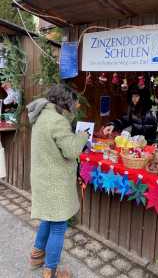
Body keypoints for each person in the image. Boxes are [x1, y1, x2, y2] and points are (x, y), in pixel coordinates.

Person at [27, 84, 88, 278]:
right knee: (59, 225)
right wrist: (83, 137)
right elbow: (71, 150)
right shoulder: (57, 121)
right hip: (55, 181)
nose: (74, 107)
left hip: (42, 178)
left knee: (48, 217)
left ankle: (37, 255)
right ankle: (50, 271)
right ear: (65, 102)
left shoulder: (41, 116)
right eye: (73, 103)